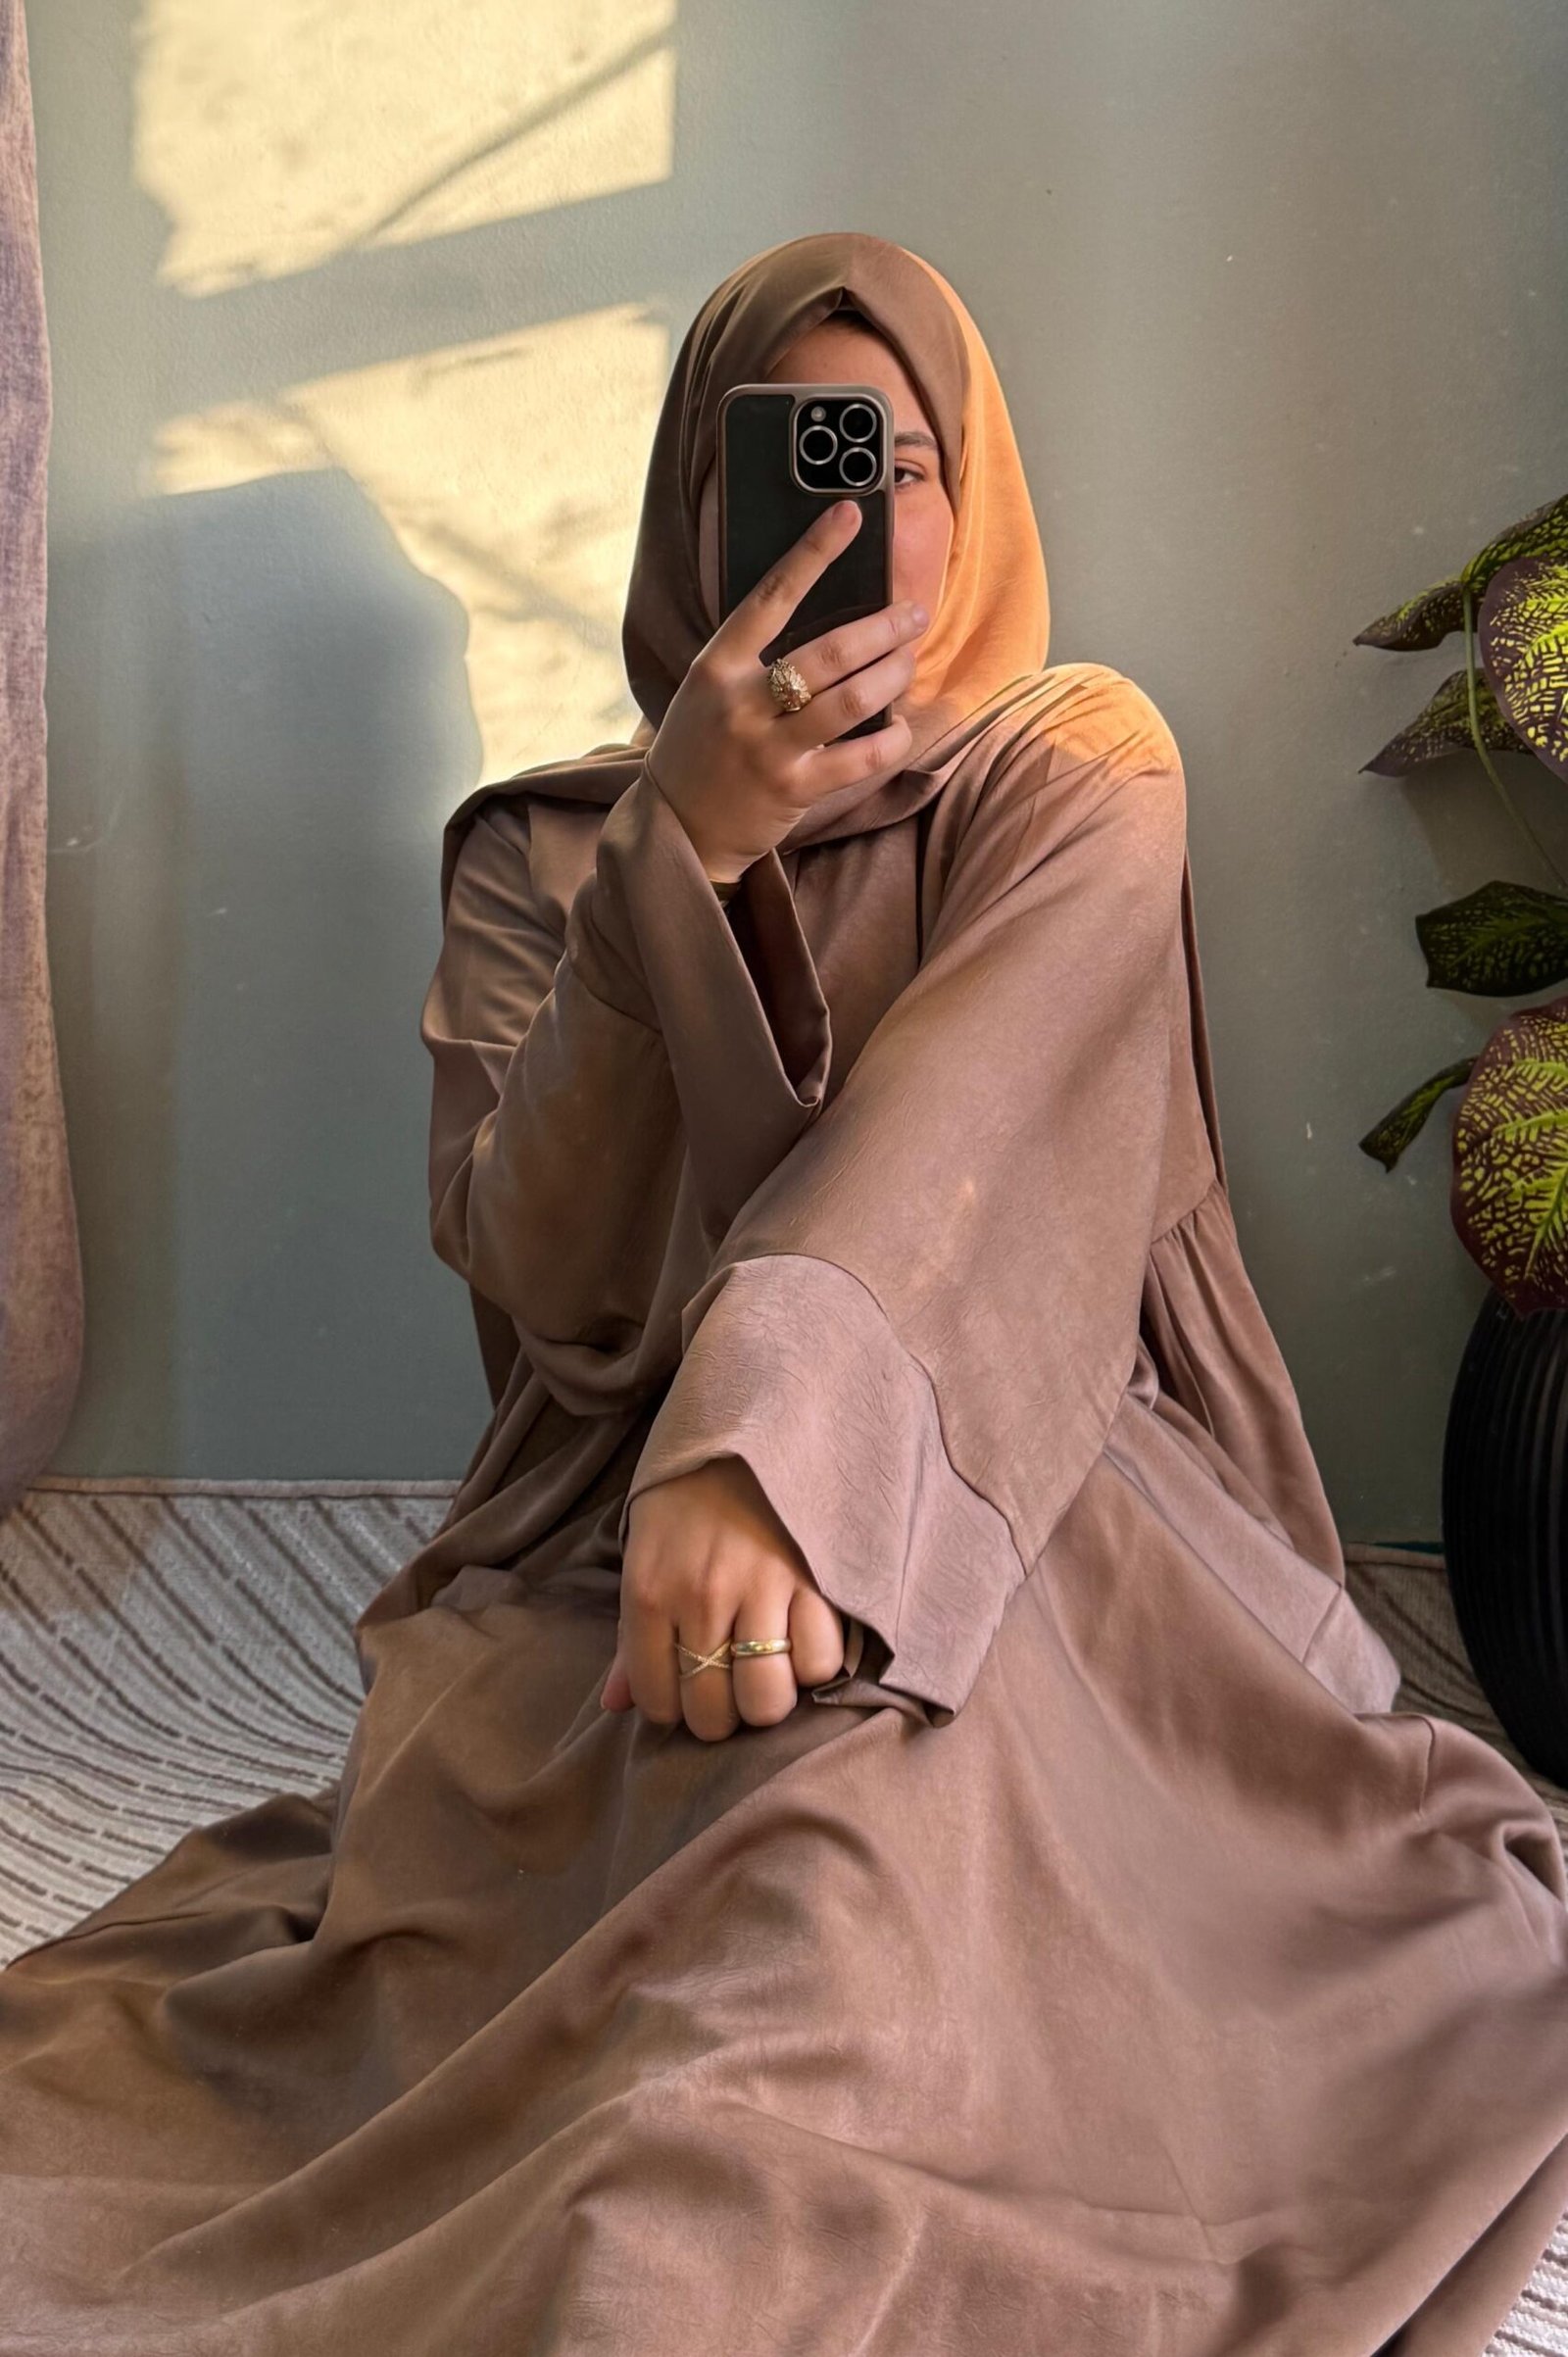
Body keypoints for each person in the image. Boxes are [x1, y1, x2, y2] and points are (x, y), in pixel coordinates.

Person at [2, 229, 1567, 2356]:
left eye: (897, 461)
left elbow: (973, 1134)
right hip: (624, 1527)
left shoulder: (1071, 772)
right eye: (795, 464)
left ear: (973, 493)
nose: (856, 520)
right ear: (698, 509)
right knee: (632, 1926)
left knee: (848, 1884)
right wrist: (678, 861)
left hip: (1026, 1488)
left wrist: (772, 1448)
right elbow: (540, 1282)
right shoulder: (537, 855)